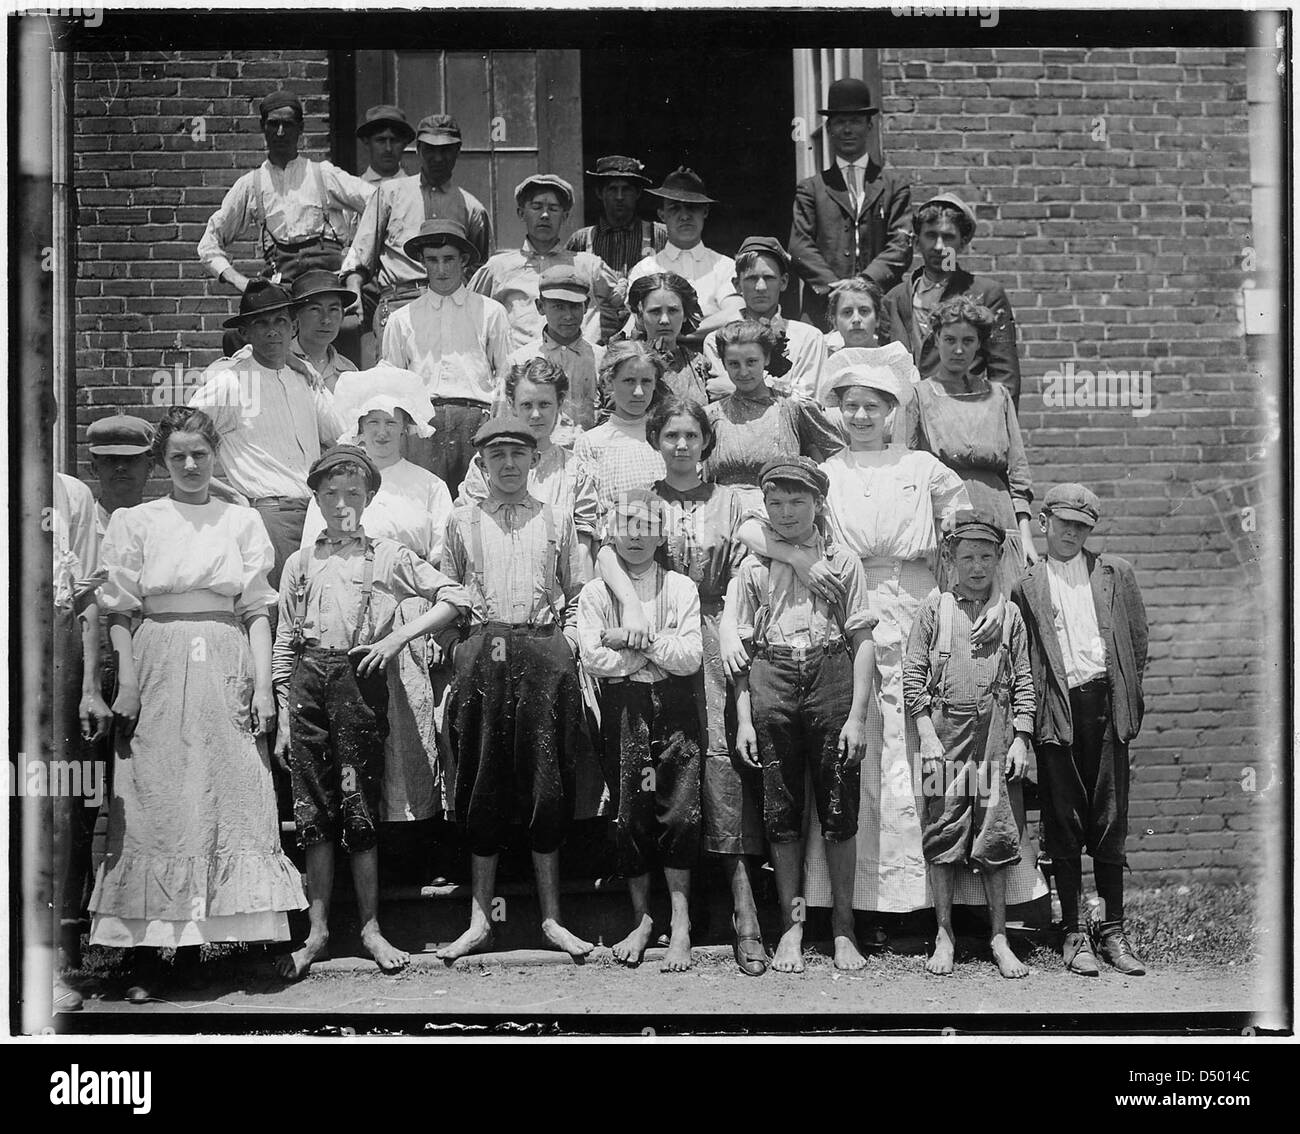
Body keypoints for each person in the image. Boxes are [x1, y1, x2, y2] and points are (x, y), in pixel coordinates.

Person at [89, 407, 307, 1001]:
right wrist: (128, 681)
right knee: (158, 797)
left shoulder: (240, 520)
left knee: (229, 793)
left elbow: (257, 609)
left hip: (226, 659)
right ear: (163, 461)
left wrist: (262, 687)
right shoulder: (137, 521)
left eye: (200, 454)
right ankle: (151, 956)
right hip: (156, 661)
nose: (190, 465)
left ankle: (224, 945)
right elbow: (119, 611)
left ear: (215, 456)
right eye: (178, 455)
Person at [774, 359, 970, 917]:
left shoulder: (922, 467)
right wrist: (799, 558)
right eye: (850, 406)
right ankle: (860, 902)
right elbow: (761, 525)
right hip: (851, 604)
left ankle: (933, 898)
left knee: (921, 733)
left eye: (872, 406)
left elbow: (964, 528)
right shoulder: (825, 471)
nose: (860, 416)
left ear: (891, 412)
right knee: (860, 741)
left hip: (918, 602)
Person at [271, 445, 470, 978]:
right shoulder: (299, 563)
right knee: (314, 812)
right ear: (316, 498)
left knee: (359, 805)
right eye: (331, 493)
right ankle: (316, 934)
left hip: (358, 686)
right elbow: (286, 642)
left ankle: (369, 928)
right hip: (308, 688)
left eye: (353, 494)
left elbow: (455, 597)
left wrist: (397, 638)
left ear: (369, 498)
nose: (342, 504)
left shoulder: (388, 556)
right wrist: (285, 714)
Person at [594, 397, 766, 974]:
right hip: (656, 627)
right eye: (671, 435)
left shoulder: (730, 500)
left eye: (692, 435)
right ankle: (660, 917)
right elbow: (606, 553)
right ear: (656, 441)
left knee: (721, 763)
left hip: (718, 633)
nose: (682, 445)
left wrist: (731, 624)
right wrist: (628, 604)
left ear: (707, 441)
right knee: (660, 778)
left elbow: (748, 567)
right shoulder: (644, 499)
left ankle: (745, 912)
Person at [436, 416, 594, 961]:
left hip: (541, 649)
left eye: (518, 454)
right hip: (485, 653)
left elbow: (578, 591)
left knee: (547, 783)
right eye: (496, 454)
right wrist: (459, 650)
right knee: (483, 782)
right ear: (480, 463)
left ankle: (552, 920)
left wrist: (567, 646)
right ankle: (481, 921)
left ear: (534, 460)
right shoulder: (461, 520)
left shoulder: (556, 518)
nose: (508, 464)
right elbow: (446, 591)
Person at [298, 369, 455, 849]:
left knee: (407, 732)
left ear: (406, 427)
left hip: (408, 617)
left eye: (392, 422)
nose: (382, 432)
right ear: (359, 427)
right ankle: (360, 842)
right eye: (373, 422)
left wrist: (429, 631)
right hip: (347, 621)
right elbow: (310, 560)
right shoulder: (337, 487)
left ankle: (410, 841)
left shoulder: (428, 484)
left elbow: (443, 561)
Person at [732, 458, 877, 973]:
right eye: (776, 503)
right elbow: (740, 654)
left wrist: (857, 717)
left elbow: (863, 640)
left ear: (818, 503)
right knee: (783, 812)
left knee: (839, 808)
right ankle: (792, 926)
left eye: (798, 501)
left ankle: (843, 927)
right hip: (772, 674)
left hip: (829, 672)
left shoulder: (843, 562)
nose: (786, 512)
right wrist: (744, 719)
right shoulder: (753, 566)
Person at [1012, 484, 1149, 977]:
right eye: (1063, 523)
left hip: (1106, 708)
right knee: (1063, 821)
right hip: (1057, 710)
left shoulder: (1115, 574)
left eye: (1081, 526)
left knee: (1110, 822)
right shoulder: (1026, 585)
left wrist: (1124, 698)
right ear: (1043, 522)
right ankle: (1073, 932)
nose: (1071, 533)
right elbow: (1025, 654)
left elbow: (1137, 641)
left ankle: (1112, 931)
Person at [902, 511, 1036, 980]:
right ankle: (944, 933)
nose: (977, 567)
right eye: (967, 558)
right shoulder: (934, 610)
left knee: (996, 830)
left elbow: (1024, 681)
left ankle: (999, 937)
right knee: (943, 828)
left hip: (995, 733)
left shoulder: (1011, 616)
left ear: (998, 559)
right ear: (951, 560)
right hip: (945, 735)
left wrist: (1021, 737)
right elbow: (912, 676)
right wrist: (925, 731)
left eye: (985, 557)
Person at [578, 490, 703, 971]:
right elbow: (595, 658)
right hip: (625, 709)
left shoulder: (680, 587)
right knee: (632, 812)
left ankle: (681, 924)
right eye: (627, 523)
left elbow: (689, 657)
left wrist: (636, 639)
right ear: (611, 531)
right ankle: (643, 919)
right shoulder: (596, 593)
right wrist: (651, 648)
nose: (636, 534)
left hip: (674, 708)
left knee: (679, 813)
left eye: (646, 524)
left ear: (662, 533)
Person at [189, 281, 345, 589]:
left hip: (317, 513)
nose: (273, 331)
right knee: (276, 606)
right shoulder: (231, 382)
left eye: (281, 322)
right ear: (245, 333)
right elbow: (177, 437)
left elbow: (341, 434)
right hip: (270, 515)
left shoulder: (304, 378)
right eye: (261, 323)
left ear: (293, 327)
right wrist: (228, 493)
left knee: (319, 605)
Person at [198, 92, 373, 321]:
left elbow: (377, 203)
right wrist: (241, 282)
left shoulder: (323, 174)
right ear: (263, 126)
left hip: (331, 286)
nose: (280, 132)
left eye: (288, 125)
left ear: (300, 128)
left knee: (349, 326)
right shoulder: (251, 184)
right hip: (284, 294)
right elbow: (208, 244)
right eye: (273, 124)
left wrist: (354, 262)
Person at [914, 295, 1037, 597]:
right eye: (950, 339)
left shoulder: (998, 396)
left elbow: (1018, 473)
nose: (958, 349)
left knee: (1005, 603)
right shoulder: (919, 395)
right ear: (936, 339)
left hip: (998, 512)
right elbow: (909, 474)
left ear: (979, 343)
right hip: (945, 516)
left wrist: (1026, 538)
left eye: (968, 341)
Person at [381, 218, 512, 495]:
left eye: (449, 259)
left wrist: (497, 427)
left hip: (477, 421)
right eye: (433, 260)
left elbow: (505, 375)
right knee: (424, 504)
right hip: (423, 427)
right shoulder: (401, 319)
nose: (441, 269)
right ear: (422, 262)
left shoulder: (491, 312)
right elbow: (391, 386)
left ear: (463, 260)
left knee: (478, 503)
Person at [342, 114, 492, 344]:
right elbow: (361, 254)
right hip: (399, 302)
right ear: (419, 150)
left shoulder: (472, 208)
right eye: (430, 149)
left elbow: (480, 271)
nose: (438, 158)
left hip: (451, 308)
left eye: (446, 150)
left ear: (457, 151)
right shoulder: (389, 194)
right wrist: (353, 289)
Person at [51, 470, 113, 1010]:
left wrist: (90, 687)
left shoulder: (72, 494)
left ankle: (52, 955)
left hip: (56, 649)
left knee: (57, 801)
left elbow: (88, 594)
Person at [790, 78, 912, 330]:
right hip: (822, 310)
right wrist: (836, 288)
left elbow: (901, 244)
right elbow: (799, 246)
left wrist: (865, 282)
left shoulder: (894, 185)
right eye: (840, 122)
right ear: (828, 129)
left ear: (869, 126)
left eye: (855, 121)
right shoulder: (811, 188)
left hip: (881, 309)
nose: (847, 129)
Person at [881, 192, 1021, 406]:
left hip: (966, 412)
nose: (939, 246)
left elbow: (1004, 375)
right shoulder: (894, 299)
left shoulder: (986, 294)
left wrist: (999, 420)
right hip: (907, 413)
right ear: (917, 242)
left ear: (962, 243)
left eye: (948, 237)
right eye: (931, 235)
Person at [704, 321, 845, 512]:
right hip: (722, 514)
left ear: (767, 358)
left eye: (751, 362)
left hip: (782, 515)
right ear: (724, 364)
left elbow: (837, 455)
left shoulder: (792, 407)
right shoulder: (711, 415)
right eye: (734, 364)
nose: (743, 372)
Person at [470, 174, 623, 348]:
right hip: (520, 362)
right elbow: (469, 312)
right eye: (536, 207)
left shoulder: (589, 266)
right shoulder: (498, 268)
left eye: (553, 208)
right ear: (521, 213)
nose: (544, 215)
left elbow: (625, 308)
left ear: (565, 216)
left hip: (578, 362)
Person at [572, 341, 668, 574]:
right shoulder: (592, 442)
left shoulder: (667, 436)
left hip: (664, 554)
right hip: (613, 560)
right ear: (609, 382)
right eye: (629, 381)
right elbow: (587, 521)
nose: (638, 391)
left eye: (646, 382)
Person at [626, 168, 744, 348]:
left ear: (705, 211)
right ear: (662, 215)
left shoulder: (725, 266)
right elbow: (639, 321)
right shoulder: (646, 269)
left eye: (692, 207)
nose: (685, 216)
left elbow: (735, 314)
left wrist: (673, 330)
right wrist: (710, 324)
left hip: (716, 357)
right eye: (674, 208)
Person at [702, 236, 827, 400]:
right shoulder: (716, 340)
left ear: (783, 282)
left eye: (769, 278)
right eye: (751, 278)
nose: (760, 287)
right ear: (737, 285)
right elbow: (720, 396)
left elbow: (807, 401)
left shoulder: (808, 338)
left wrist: (739, 389)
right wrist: (784, 389)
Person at [459, 356, 579, 522]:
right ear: (512, 405)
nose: (536, 414)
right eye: (527, 405)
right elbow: (471, 522)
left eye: (544, 404)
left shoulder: (575, 469)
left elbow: (583, 532)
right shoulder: (487, 462)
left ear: (559, 403)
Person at [507, 265, 606, 448]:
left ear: (586, 306)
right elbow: (505, 421)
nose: (568, 316)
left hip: (591, 452)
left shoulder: (602, 359)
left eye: (575, 306)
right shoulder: (519, 361)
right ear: (540, 307)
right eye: (558, 307)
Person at [567, 155, 669, 275]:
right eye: (612, 189)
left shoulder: (660, 235)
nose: (619, 197)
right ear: (599, 193)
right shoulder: (581, 240)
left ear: (637, 193)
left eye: (626, 189)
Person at [623, 272, 713, 403]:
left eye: (672, 311)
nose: (664, 320)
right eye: (655, 311)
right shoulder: (624, 362)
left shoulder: (699, 364)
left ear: (685, 315)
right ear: (641, 315)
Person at [290, 269, 360, 392]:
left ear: (342, 316)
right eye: (315, 309)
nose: (326, 320)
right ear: (295, 316)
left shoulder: (349, 371)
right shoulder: (277, 361)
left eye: (333, 310)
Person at [88, 414, 154, 536]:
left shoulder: (160, 527)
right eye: (110, 459)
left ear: (150, 467)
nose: (120, 467)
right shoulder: (80, 526)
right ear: (95, 468)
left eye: (131, 459)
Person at [823, 276, 885, 358]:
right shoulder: (824, 363)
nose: (856, 319)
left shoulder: (895, 359)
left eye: (864, 311)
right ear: (834, 321)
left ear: (877, 319)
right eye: (847, 312)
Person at [356, 104, 416, 184]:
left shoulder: (416, 189)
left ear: (404, 144)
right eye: (381, 140)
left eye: (395, 141)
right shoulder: (354, 189)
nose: (388, 148)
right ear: (367, 143)